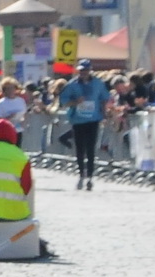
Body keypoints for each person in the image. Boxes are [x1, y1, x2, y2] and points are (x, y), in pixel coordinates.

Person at [59, 59, 108, 190]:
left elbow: (104, 99)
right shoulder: (72, 85)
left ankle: (90, 177)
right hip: (78, 121)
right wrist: (75, 102)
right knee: (80, 149)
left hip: (93, 120)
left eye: (86, 70)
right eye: (81, 70)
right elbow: (64, 101)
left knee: (91, 148)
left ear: (90, 70)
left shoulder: (98, 84)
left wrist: (104, 115)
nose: (83, 73)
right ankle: (81, 175)